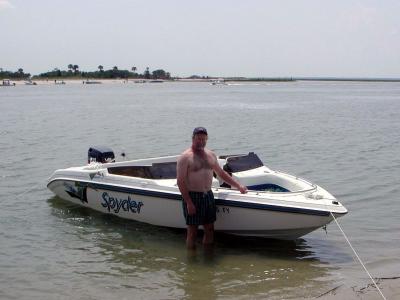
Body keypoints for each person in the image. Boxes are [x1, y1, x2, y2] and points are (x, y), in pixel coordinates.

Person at [177, 127, 247, 249]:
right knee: (192, 231)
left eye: (204, 139)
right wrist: (188, 202)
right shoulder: (185, 157)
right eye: (199, 138)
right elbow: (180, 181)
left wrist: (238, 186)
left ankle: (208, 260)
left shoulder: (211, 155)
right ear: (193, 138)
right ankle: (191, 262)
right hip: (193, 196)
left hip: (208, 195)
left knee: (209, 229)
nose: (201, 141)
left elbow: (221, 173)